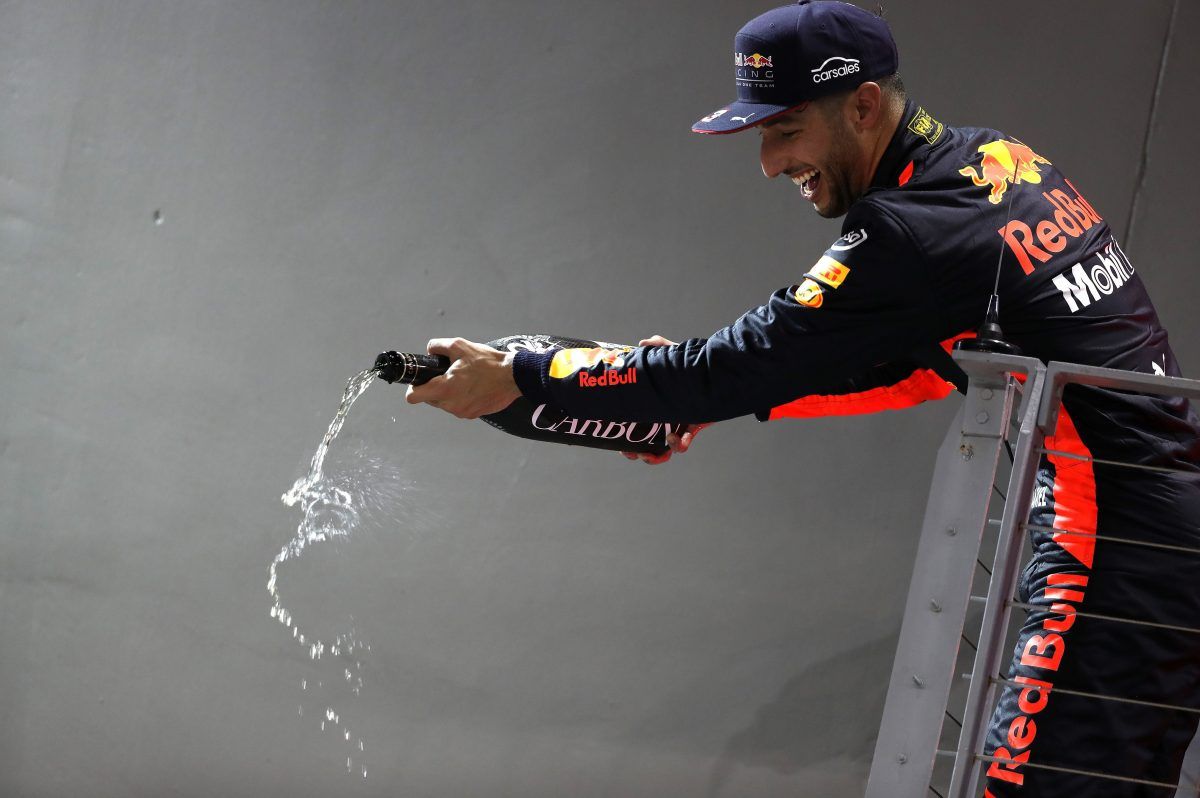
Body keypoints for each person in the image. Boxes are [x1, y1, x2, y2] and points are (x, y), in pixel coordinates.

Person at [406, 1, 1200, 795]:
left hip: (1122, 545)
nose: (769, 162)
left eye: (785, 130)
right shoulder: (995, 161)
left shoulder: (908, 228)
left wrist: (526, 375)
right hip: (1165, 527)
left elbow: (741, 362)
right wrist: (709, 397)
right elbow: (919, 369)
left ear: (863, 105)